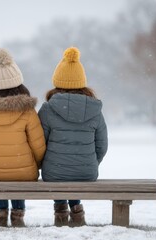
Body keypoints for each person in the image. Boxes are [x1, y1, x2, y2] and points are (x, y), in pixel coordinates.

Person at [0, 48, 46, 227]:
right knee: (18, 174)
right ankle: (18, 216)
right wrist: (35, 164)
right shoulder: (27, 111)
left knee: (0, 175)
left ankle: (0, 216)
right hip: (23, 171)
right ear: (19, 82)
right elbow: (39, 146)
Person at [38, 47, 108, 227]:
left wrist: (45, 162)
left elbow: (40, 143)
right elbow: (102, 145)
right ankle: (76, 210)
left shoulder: (48, 109)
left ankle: (60, 210)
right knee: (73, 172)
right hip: (87, 172)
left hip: (54, 172)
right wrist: (89, 161)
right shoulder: (95, 110)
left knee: (62, 172)